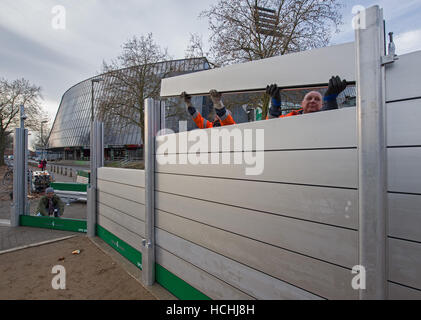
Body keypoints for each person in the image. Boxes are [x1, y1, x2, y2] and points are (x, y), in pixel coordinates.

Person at [266, 76, 347, 119]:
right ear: (302, 103)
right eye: (309, 98)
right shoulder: (290, 117)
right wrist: (275, 107)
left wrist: (331, 102)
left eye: (317, 99)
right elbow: (272, 127)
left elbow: (331, 124)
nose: (312, 101)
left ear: (322, 104)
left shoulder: (333, 117)